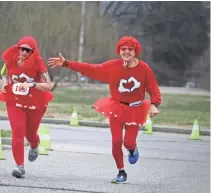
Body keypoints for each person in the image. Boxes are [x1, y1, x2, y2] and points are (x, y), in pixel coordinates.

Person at [47, 36, 162, 183]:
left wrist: (154, 104)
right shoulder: (112, 66)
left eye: (130, 49)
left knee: (128, 143)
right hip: (117, 107)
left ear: (135, 51)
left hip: (136, 109)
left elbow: (153, 88)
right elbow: (90, 69)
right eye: (123, 49)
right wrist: (66, 64)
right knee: (116, 141)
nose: (126, 52)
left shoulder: (144, 68)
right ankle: (121, 172)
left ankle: (132, 149)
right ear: (119, 51)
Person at [0, 36, 54, 178]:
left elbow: (48, 86)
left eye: (28, 50)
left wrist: (32, 84)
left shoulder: (38, 64)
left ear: (33, 52)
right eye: (22, 48)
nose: (24, 52)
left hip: (36, 102)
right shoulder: (11, 59)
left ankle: (34, 144)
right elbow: (4, 72)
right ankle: (20, 166)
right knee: (18, 131)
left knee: (30, 133)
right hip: (14, 100)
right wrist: (5, 83)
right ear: (18, 48)